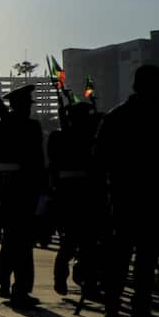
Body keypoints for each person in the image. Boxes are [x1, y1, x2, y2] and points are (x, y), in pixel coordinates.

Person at [96, 65, 159, 317]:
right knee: (146, 260)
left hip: (123, 195)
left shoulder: (115, 116)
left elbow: (99, 156)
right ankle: (139, 313)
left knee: (119, 256)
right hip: (152, 196)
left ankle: (112, 308)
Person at [0, 84, 46, 310]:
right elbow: (38, 160)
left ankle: (5, 280)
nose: (29, 109)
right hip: (25, 185)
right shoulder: (31, 127)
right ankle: (20, 289)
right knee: (22, 238)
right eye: (26, 105)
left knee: (12, 236)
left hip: (4, 184)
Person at [47, 101, 104, 296]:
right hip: (76, 193)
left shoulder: (65, 137)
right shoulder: (80, 137)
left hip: (74, 192)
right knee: (74, 241)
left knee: (80, 242)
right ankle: (71, 279)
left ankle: (84, 280)